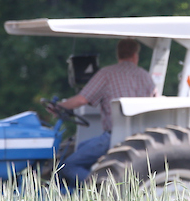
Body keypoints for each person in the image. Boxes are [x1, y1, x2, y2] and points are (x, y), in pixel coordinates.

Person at [52, 38, 156, 186]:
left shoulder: (107, 74)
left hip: (115, 137)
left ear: (118, 54)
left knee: (68, 165)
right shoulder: (146, 76)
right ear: (135, 55)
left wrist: (60, 106)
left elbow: (82, 99)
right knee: (82, 146)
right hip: (141, 136)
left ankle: (100, 191)